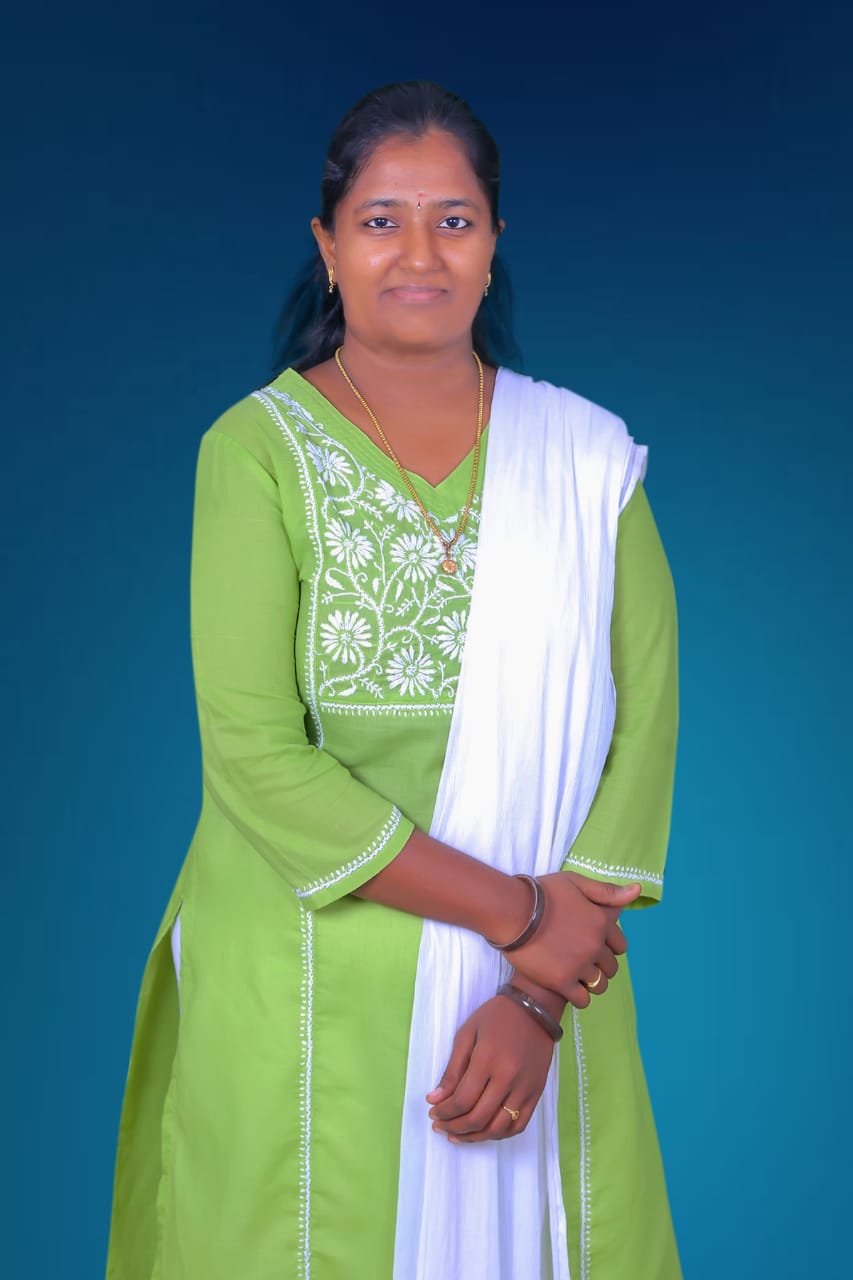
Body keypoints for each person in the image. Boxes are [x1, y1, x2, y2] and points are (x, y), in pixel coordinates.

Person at [106, 80, 680, 1280]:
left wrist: (536, 994)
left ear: (492, 243)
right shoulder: (255, 452)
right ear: (328, 246)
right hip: (309, 982)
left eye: (452, 219)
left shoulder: (583, 461)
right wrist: (524, 921)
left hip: (542, 994)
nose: (419, 252)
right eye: (381, 220)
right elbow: (257, 758)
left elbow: (645, 718)